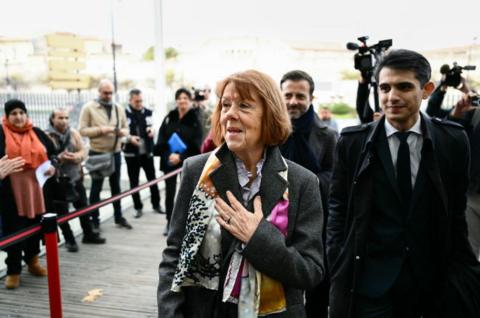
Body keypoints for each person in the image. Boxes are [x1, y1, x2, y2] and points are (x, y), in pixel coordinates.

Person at [157, 70, 325, 317]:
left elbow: (310, 271)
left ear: (269, 115)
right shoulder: (196, 170)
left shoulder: (302, 182)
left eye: (244, 106)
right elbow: (174, 255)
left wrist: (257, 237)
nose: (230, 114)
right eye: (225, 105)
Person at [327, 49, 480, 318]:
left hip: (432, 284)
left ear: (427, 90)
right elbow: (338, 209)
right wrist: (339, 262)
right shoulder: (353, 143)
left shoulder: (452, 141)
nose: (392, 96)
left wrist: (464, 274)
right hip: (369, 287)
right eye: (384, 87)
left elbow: (456, 214)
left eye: (404, 86)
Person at [279, 70, 337, 318]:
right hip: (275, 223)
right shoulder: (269, 132)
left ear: (311, 98)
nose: (293, 101)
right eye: (288, 95)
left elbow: (334, 179)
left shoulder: (329, 136)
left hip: (316, 224)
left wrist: (300, 182)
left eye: (300, 96)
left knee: (317, 291)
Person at [0, 99, 55, 289]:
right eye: (13, 113)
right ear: (7, 116)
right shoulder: (1, 133)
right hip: (12, 193)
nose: (18, 117)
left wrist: (53, 167)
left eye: (22, 112)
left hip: (37, 189)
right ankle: (13, 270)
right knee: (14, 230)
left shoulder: (37, 132)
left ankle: (33, 262)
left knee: (36, 227)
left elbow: (53, 154)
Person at [425, 76, 480, 259]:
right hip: (472, 196)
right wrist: (457, 115)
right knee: (468, 256)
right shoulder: (474, 111)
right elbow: (449, 139)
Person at [44, 108, 106, 252]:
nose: (64, 121)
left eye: (66, 117)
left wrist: (76, 157)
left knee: (83, 207)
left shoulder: (73, 133)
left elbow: (83, 151)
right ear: (52, 119)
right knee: (62, 212)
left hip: (75, 176)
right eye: (60, 118)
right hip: (57, 180)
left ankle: (88, 234)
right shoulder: (46, 136)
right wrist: (59, 158)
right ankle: (69, 239)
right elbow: (45, 158)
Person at [79, 79, 132, 230]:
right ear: (99, 92)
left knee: (116, 187)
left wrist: (122, 133)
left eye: (110, 93)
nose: (108, 95)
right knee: (96, 188)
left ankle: (118, 216)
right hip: (98, 153)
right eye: (105, 92)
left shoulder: (117, 108)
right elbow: (82, 130)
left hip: (115, 152)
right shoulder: (88, 108)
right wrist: (102, 130)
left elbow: (126, 128)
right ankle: (94, 221)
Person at [154, 88, 202, 236]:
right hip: (169, 161)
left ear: (190, 101)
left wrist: (181, 157)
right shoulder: (169, 117)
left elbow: (197, 145)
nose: (182, 101)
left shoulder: (195, 119)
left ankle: (183, 224)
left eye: (185, 98)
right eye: (179, 98)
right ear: (176, 100)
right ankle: (169, 221)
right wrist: (170, 155)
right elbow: (161, 140)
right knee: (169, 193)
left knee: (186, 194)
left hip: (187, 163)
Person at [123, 89, 163, 218]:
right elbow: (120, 134)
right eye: (136, 101)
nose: (140, 103)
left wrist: (152, 131)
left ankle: (156, 205)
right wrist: (129, 138)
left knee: (152, 179)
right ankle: (137, 207)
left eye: (141, 100)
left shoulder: (148, 112)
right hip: (131, 154)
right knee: (134, 182)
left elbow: (154, 126)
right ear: (130, 100)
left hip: (147, 153)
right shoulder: (124, 114)